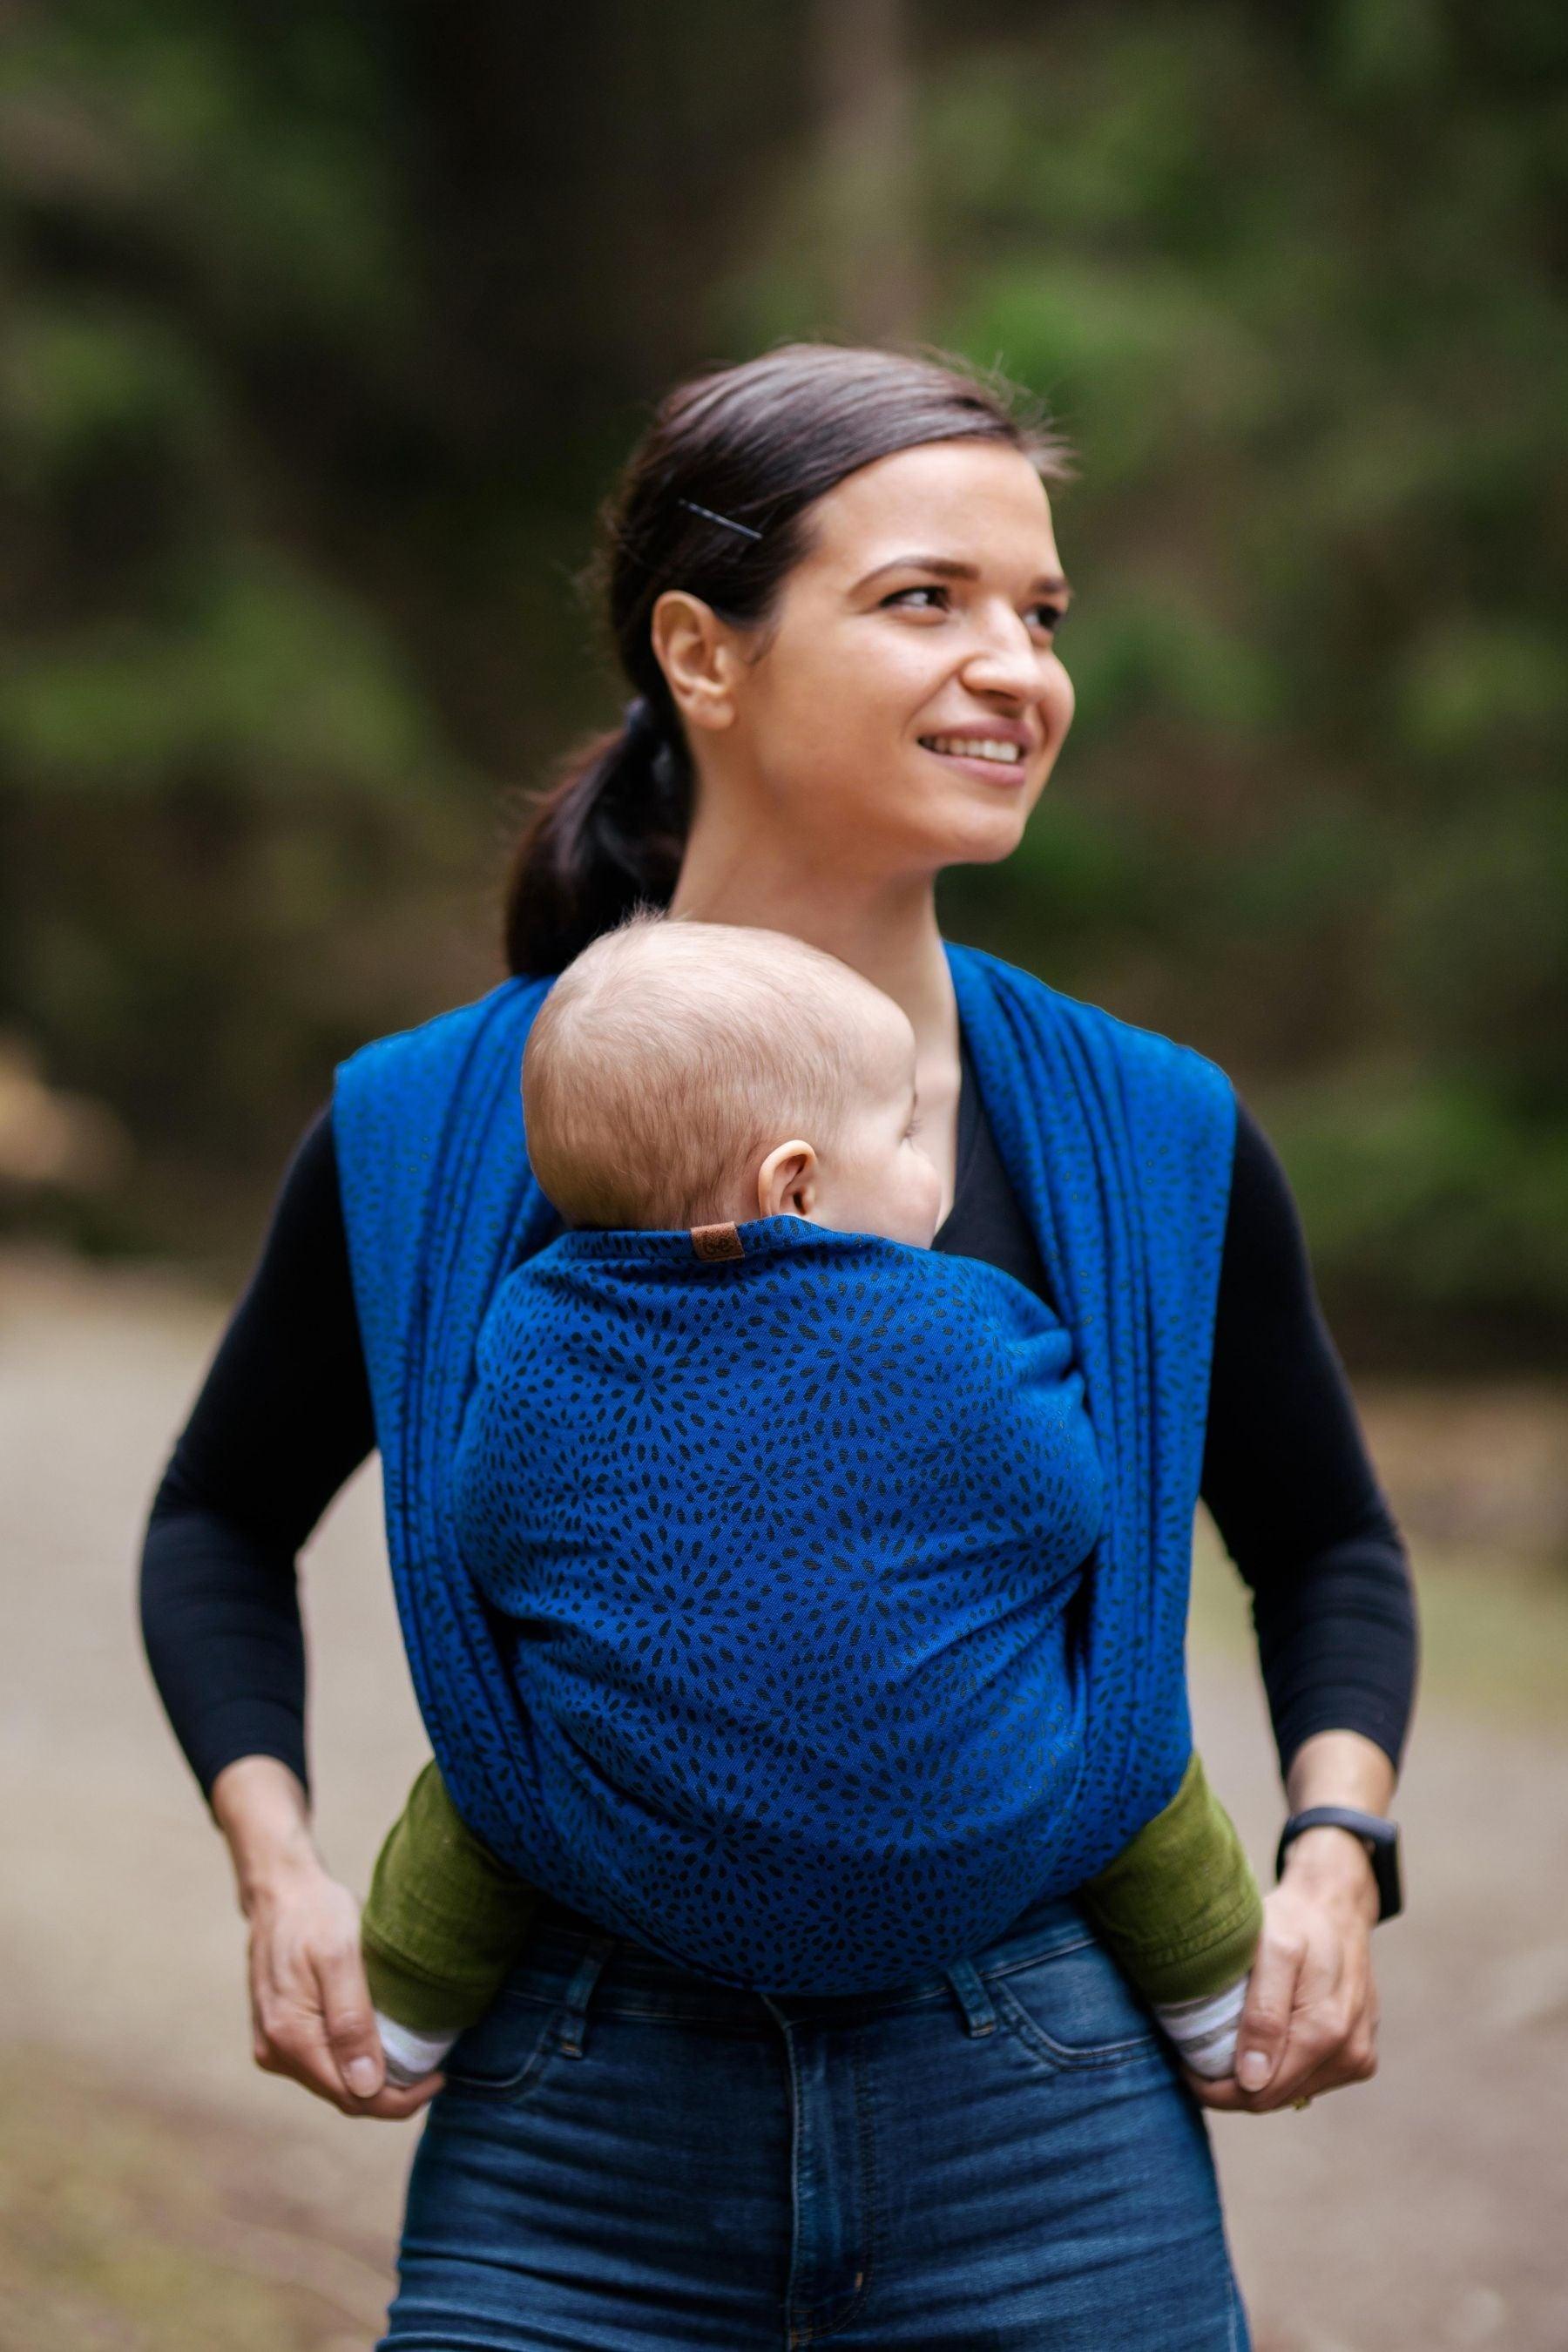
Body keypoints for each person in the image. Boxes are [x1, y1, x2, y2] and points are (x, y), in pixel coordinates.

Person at [140, 341, 1416, 2349]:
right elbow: (219, 1518)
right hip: (567, 2134)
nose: (1022, 669)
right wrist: (281, 1863)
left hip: (1054, 2128)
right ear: (701, 653)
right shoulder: (431, 1129)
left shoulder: (1149, 1130)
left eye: (1045, 615)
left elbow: (1327, 1543)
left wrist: (1335, 1857)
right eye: (929, 600)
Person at [357, 907, 1264, 2090]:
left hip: (643, 1875)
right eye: (906, 1134)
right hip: (974, 1858)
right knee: (1137, 1753)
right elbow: (1076, 1502)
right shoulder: (960, 1323)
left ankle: (400, 2022)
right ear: (796, 1184)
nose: (935, 1168)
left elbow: (484, 1538)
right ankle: (1218, 2004)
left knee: (482, 1787)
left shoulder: (530, 1337)